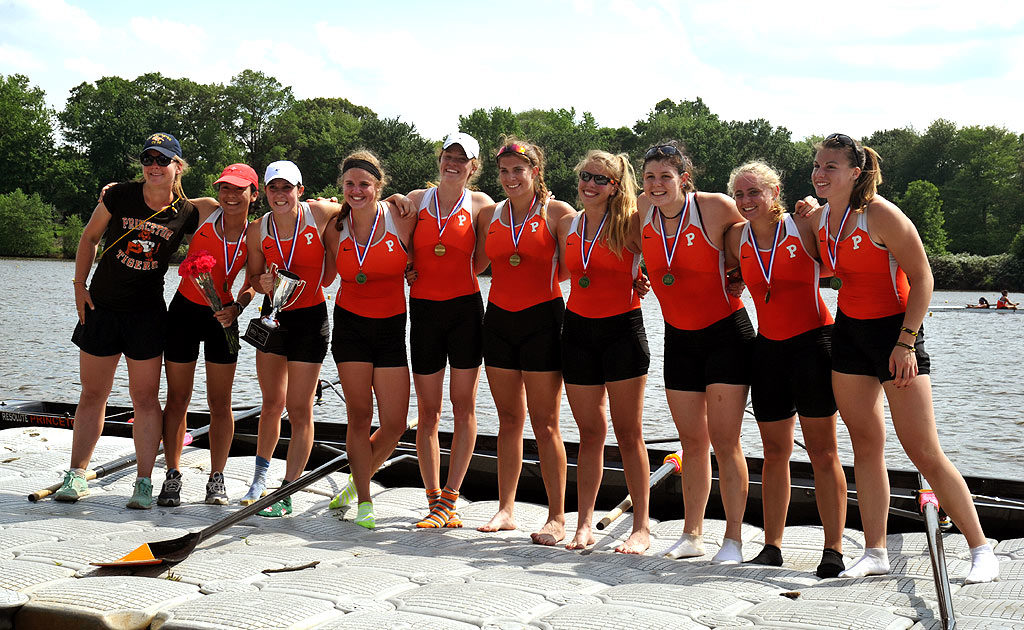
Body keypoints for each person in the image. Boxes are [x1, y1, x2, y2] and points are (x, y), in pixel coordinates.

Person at [812, 133, 999, 582]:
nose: (820, 174)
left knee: (922, 450)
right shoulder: (819, 219)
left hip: (896, 334)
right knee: (866, 447)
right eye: (817, 166)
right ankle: (874, 551)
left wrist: (906, 342)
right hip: (850, 334)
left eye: (831, 167)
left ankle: (980, 549)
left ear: (855, 173)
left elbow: (923, 277)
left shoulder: (881, 214)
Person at [57, 133, 199, 508]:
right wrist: (78, 285)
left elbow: (231, 210)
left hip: (147, 315)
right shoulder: (119, 195)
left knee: (145, 399)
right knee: (92, 394)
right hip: (102, 308)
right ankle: (76, 474)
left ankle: (143, 481)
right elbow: (88, 239)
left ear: (177, 167)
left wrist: (318, 205)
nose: (154, 166)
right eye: (148, 159)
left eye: (163, 160)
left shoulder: (187, 212)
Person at [723, 161, 847, 577]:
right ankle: (772, 545)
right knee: (775, 452)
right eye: (739, 194)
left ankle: (833, 550)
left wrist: (817, 211)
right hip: (768, 350)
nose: (746, 201)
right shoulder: (736, 237)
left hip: (814, 345)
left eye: (754, 192)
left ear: (775, 191)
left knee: (822, 451)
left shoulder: (804, 224)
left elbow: (839, 262)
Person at [638, 141, 753, 564]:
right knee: (692, 442)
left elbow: (758, 237)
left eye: (665, 177)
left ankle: (735, 539)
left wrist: (738, 273)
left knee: (726, 441)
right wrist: (637, 279)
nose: (656, 184)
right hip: (679, 340)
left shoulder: (716, 207)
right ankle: (692, 534)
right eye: (649, 177)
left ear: (683, 179)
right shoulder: (642, 216)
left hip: (726, 335)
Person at [385, 133, 496, 527]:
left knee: (463, 407)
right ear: (440, 159)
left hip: (466, 310)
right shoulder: (416, 199)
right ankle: (433, 499)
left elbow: (486, 257)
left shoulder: (482, 205)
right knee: (428, 411)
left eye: (461, 159)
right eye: (448, 155)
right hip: (425, 313)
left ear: (473, 167)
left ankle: (452, 496)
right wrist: (409, 261)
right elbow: (378, 217)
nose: (453, 162)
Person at [474, 138, 575, 543]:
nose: (511, 178)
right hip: (497, 320)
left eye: (519, 170)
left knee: (546, 423)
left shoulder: (558, 213)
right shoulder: (489, 215)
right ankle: (506, 509)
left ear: (535, 171)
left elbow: (571, 268)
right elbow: (475, 263)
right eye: (504, 171)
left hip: (542, 321)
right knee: (509, 421)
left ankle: (556, 517)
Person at [557, 151, 651, 553]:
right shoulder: (567, 223)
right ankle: (582, 526)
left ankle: (642, 527)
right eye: (585, 176)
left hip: (622, 332)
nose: (589, 185)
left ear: (615, 187)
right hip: (576, 332)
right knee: (590, 433)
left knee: (629, 435)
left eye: (600, 179)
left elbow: (674, 232)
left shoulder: (631, 224)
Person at [156, 164, 259, 507]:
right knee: (178, 398)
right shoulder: (202, 210)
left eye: (239, 190)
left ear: (253, 195)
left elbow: (253, 283)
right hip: (184, 313)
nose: (230, 196)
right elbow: (159, 194)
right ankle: (172, 475)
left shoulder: (256, 232)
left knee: (220, 403)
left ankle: (217, 478)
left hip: (224, 318)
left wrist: (238, 308)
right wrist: (115, 191)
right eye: (225, 188)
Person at [324, 150, 417, 529]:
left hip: (391, 328)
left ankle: (354, 480)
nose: (356, 190)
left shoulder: (400, 217)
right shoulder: (334, 227)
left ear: (379, 186)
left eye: (365, 184)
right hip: (350, 329)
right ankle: (364, 501)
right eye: (349, 184)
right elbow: (324, 278)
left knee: (395, 424)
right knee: (359, 417)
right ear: (341, 187)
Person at [241, 160, 338, 517]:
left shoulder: (319, 212)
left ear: (300, 189)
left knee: (300, 409)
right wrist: (260, 283)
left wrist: (403, 203)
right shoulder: (257, 229)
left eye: (287, 188)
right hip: (272, 317)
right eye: (273, 188)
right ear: (264, 192)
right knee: (271, 405)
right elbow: (252, 275)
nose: (280, 195)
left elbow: (364, 206)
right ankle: (258, 480)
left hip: (311, 319)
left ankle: (288, 488)